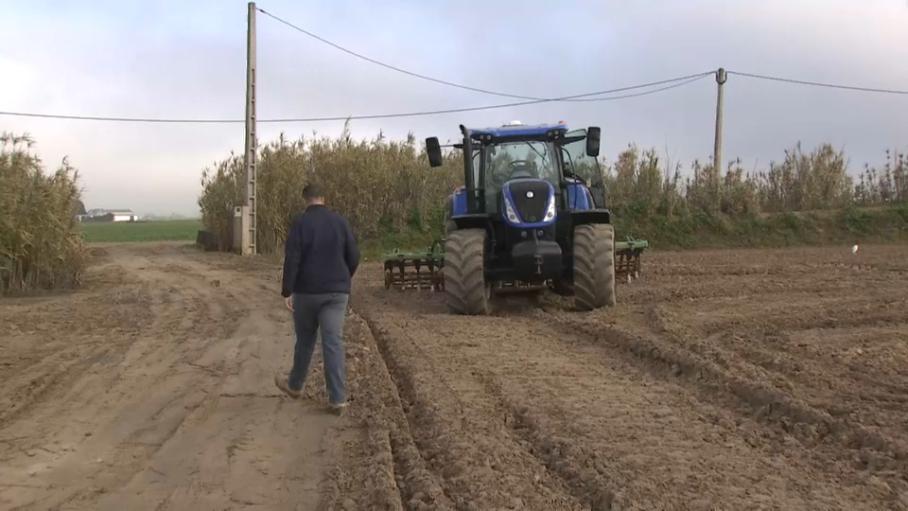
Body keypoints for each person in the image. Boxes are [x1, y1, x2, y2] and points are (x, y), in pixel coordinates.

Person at [274, 183, 360, 414]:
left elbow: (292, 258)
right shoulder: (340, 222)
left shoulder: (300, 223)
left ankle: (295, 386)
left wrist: (287, 290)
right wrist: (343, 278)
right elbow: (354, 255)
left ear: (305, 199)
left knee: (305, 341)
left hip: (306, 293)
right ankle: (338, 399)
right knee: (332, 343)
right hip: (336, 294)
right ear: (324, 197)